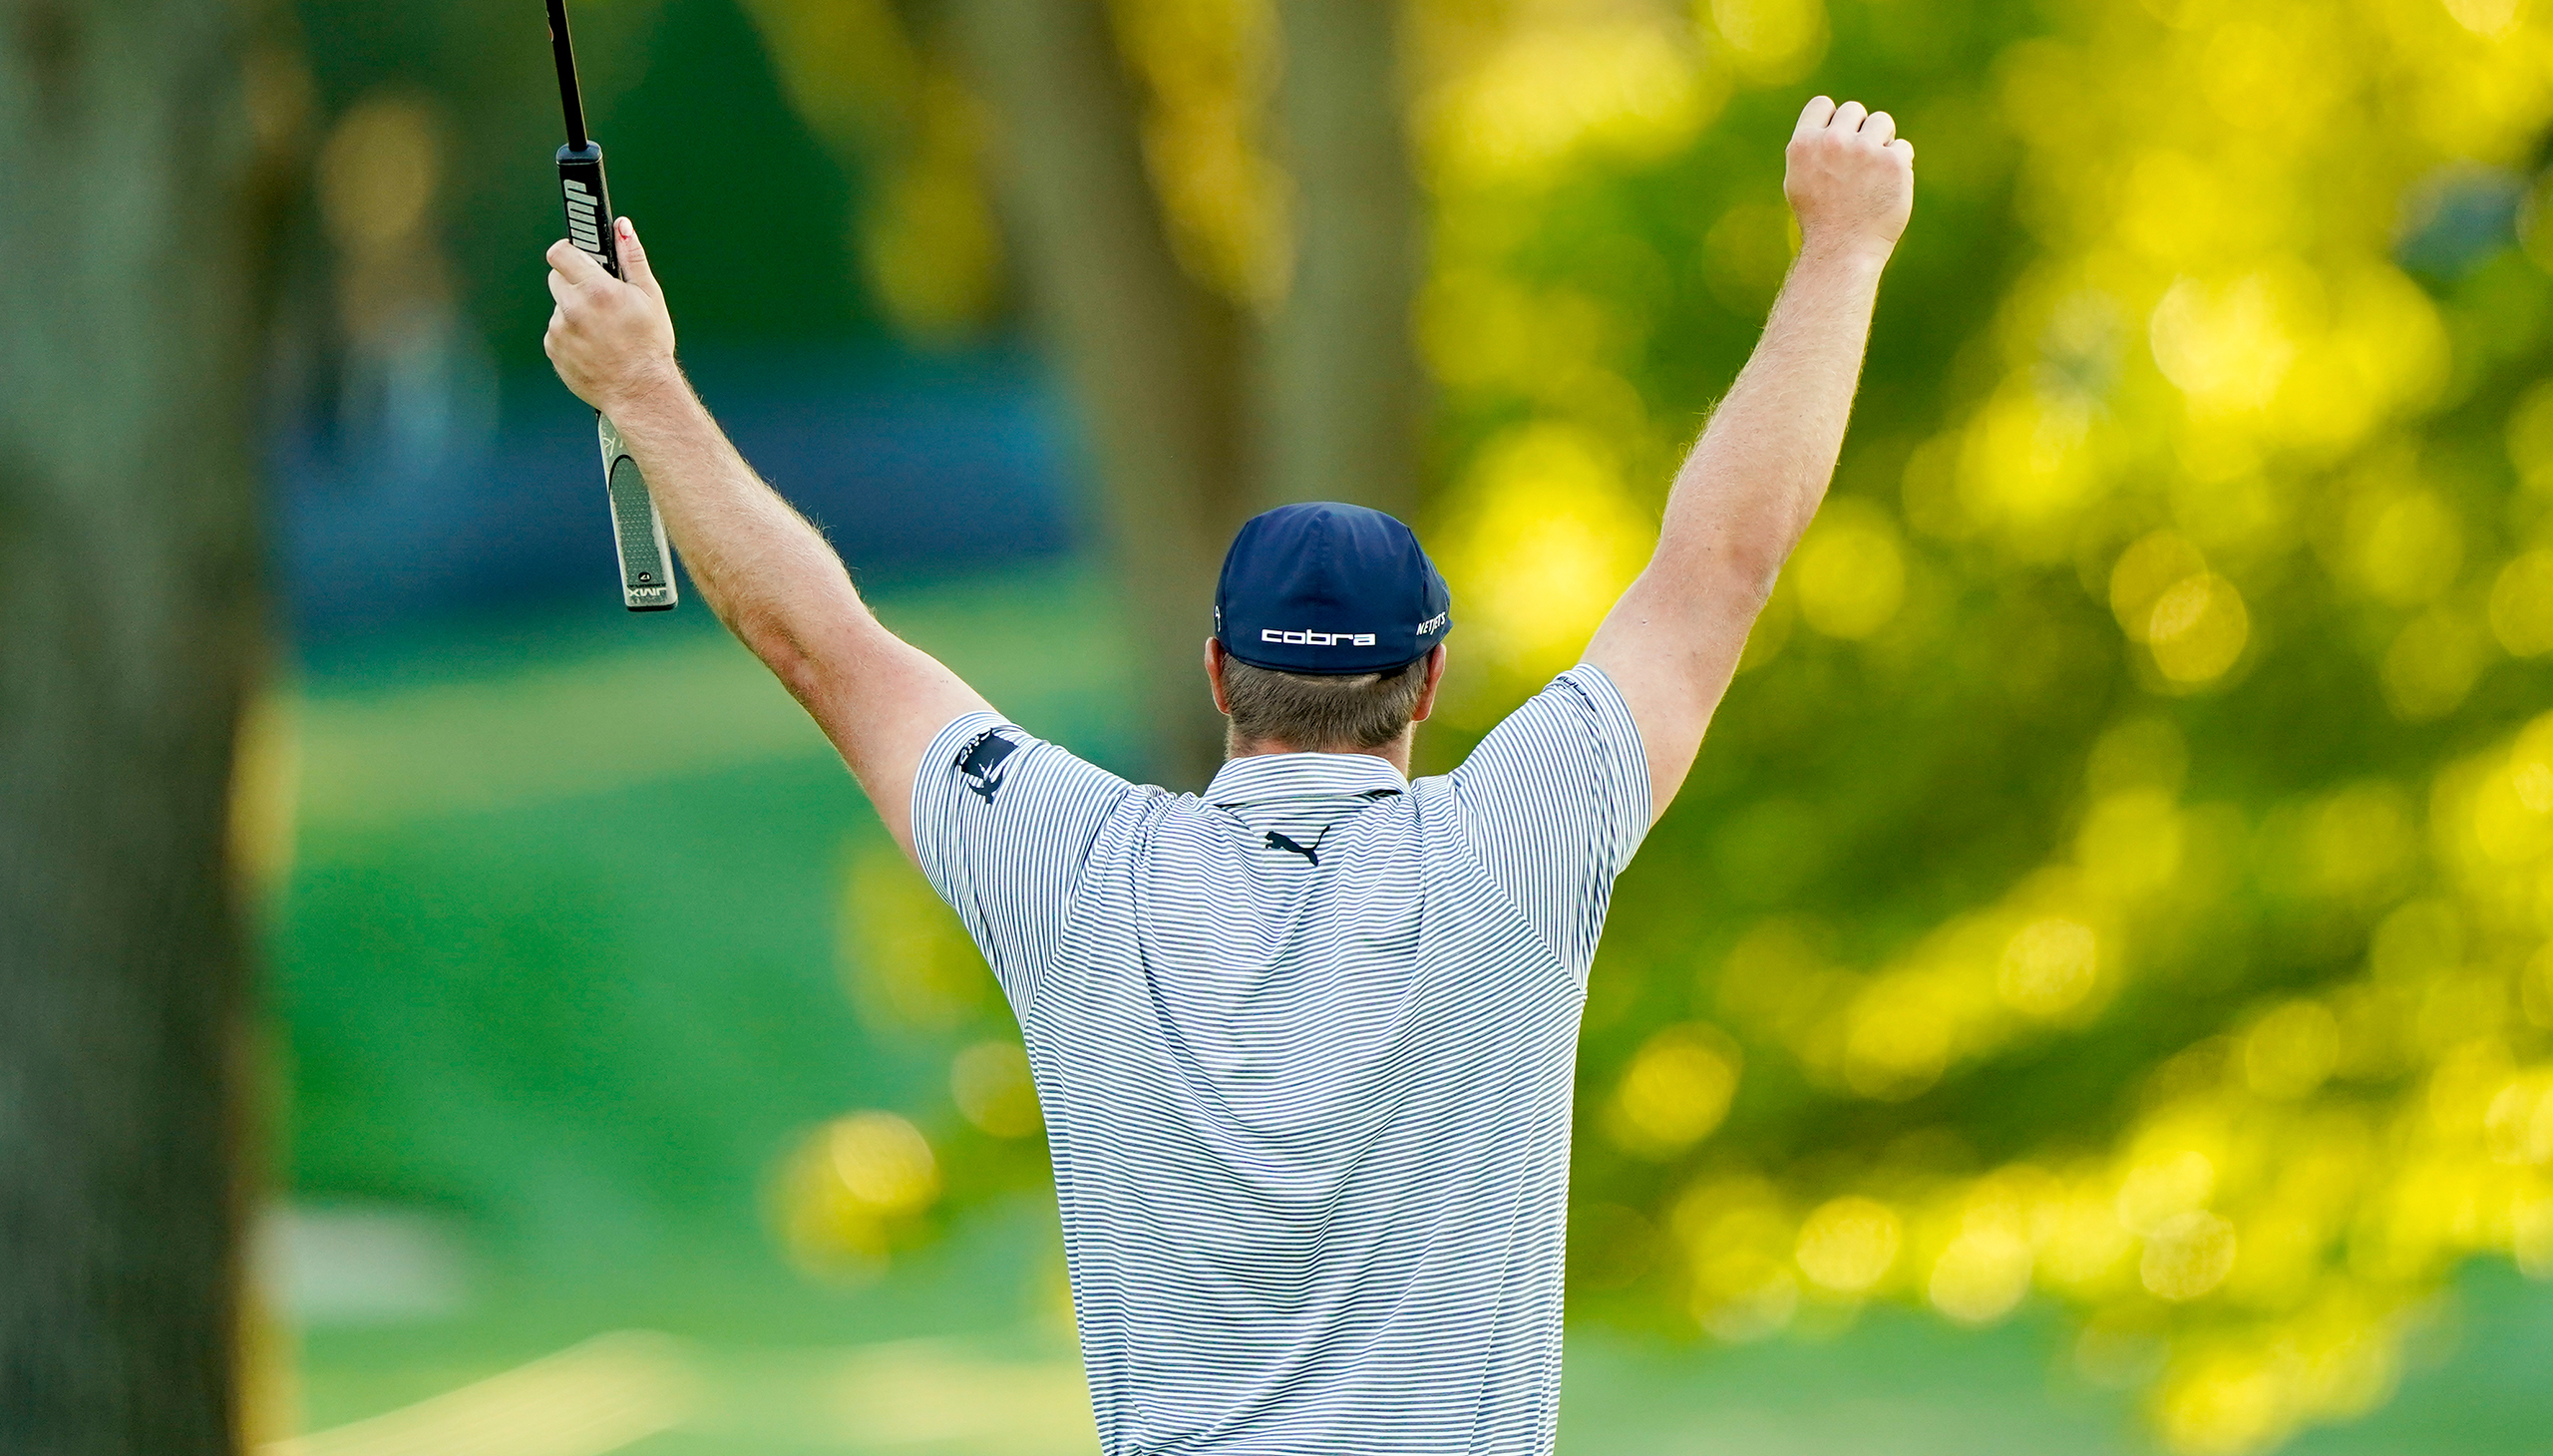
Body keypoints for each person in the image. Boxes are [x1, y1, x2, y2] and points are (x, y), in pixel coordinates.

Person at [544, 94, 1912, 1456]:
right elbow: (1719, 567)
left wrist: (644, 388)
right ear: (1426, 687)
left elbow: (824, 647)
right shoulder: (1513, 852)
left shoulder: (1076, 873)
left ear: (1215, 672)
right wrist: (1839, 250)